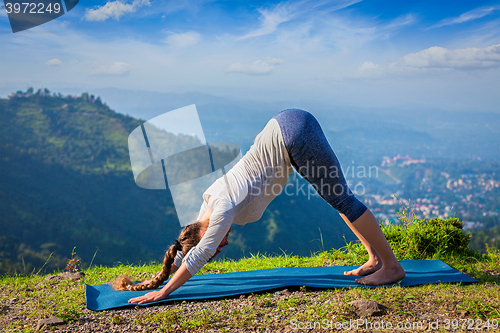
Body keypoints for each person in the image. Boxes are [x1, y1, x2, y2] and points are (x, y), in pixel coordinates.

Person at [113, 109, 405, 305]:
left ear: (204, 236)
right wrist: (159, 276)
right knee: (336, 197)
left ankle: (391, 266)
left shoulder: (222, 211)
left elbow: (198, 253)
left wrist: (164, 291)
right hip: (285, 126)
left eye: (218, 245)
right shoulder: (208, 204)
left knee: (342, 198)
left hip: (293, 137)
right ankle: (375, 259)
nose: (223, 244)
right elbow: (187, 248)